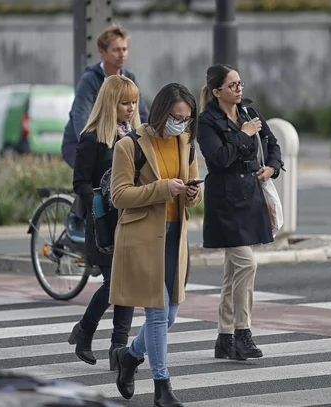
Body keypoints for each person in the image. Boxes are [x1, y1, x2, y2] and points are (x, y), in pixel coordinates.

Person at [109, 83, 202, 407]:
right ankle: (162, 387)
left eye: (187, 119)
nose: (182, 124)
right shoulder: (128, 145)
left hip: (175, 238)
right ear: (162, 112)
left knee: (171, 314)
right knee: (159, 313)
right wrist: (162, 188)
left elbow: (193, 189)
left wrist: (193, 193)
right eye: (177, 117)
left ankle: (130, 357)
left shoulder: (186, 142)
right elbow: (119, 195)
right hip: (143, 238)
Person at [197, 64, 283, 360]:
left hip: (250, 200)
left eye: (240, 83)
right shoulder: (206, 121)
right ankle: (243, 332)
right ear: (217, 91)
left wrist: (272, 167)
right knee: (247, 265)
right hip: (225, 204)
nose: (239, 89)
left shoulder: (249, 111)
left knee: (233, 271)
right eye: (232, 85)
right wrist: (244, 135)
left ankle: (224, 338)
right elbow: (218, 159)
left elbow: (273, 143)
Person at [68, 75, 142, 369]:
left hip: (131, 219)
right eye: (125, 102)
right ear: (110, 103)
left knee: (129, 285)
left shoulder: (135, 136)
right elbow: (79, 182)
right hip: (103, 223)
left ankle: (117, 348)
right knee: (116, 284)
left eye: (134, 102)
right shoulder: (94, 137)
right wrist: (102, 198)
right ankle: (85, 331)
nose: (131, 108)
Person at [61, 24, 149, 169]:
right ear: (102, 52)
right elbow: (80, 117)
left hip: (114, 142)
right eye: (116, 50)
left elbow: (143, 114)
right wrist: (88, 147)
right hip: (78, 143)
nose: (122, 54)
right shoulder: (90, 79)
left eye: (124, 49)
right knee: (93, 179)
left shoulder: (129, 77)